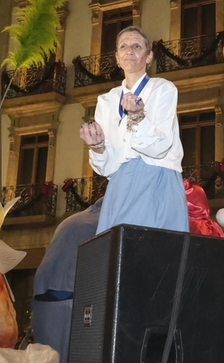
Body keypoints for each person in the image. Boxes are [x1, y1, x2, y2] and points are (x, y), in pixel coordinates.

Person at [78, 26, 189, 234]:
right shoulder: (106, 100)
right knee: (118, 254)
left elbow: (161, 148)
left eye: (137, 46)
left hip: (158, 178)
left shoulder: (163, 89)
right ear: (117, 58)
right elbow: (107, 168)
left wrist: (138, 117)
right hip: (120, 185)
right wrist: (98, 146)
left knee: (155, 250)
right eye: (123, 46)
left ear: (148, 57)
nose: (129, 50)